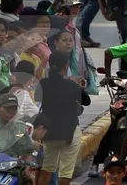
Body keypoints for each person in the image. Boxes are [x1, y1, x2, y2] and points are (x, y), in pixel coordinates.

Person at [37, 51, 91, 185]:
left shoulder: (43, 84)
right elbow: (87, 101)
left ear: (50, 65)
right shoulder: (71, 85)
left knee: (47, 167)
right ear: (66, 67)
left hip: (49, 132)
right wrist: (75, 84)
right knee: (66, 171)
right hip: (70, 132)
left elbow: (37, 99)